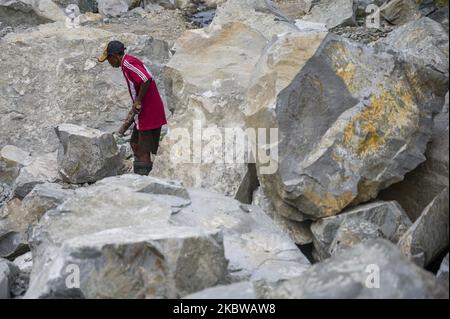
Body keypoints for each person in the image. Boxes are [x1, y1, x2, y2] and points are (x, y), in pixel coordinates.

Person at [98, 40, 167, 176]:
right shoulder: (126, 64)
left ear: (114, 56)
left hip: (149, 110)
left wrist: (138, 101)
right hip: (145, 110)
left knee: (142, 149)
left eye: (108, 60)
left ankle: (143, 179)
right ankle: (142, 173)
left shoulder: (128, 63)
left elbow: (146, 79)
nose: (109, 63)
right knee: (135, 143)